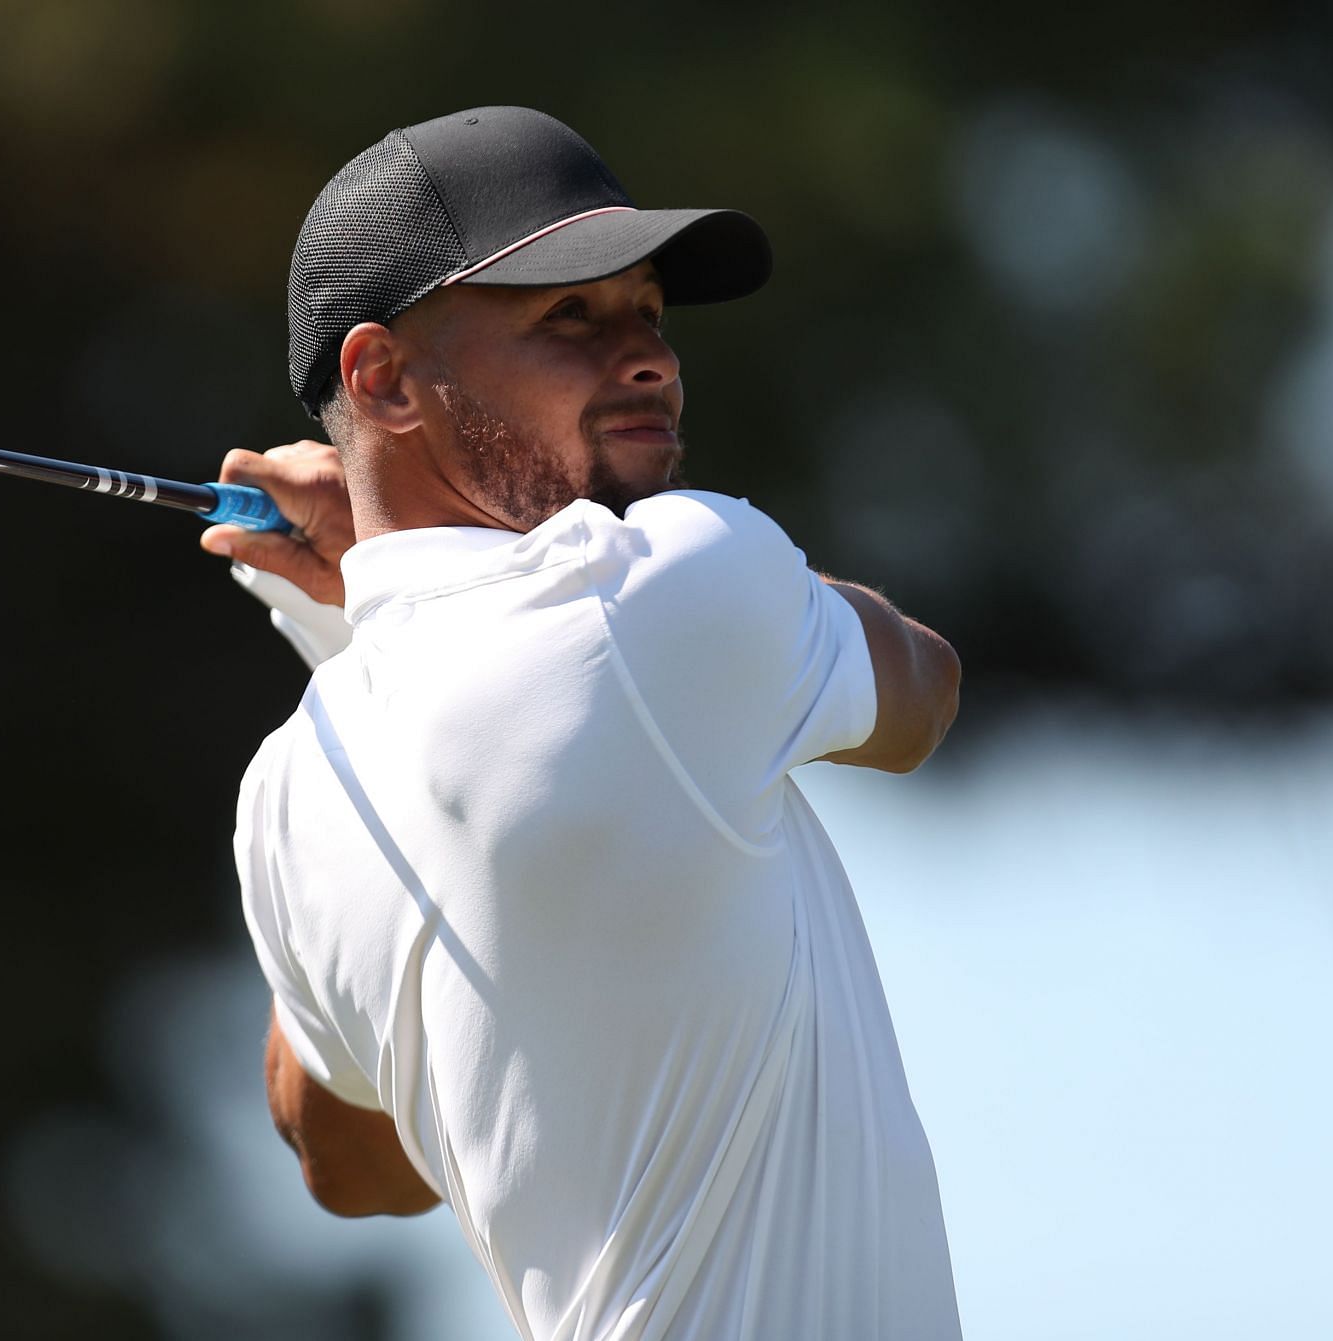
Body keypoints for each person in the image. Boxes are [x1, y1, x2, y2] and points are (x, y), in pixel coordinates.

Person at [199, 106, 964, 1341]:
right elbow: (921, 692)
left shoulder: (293, 792)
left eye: (649, 315)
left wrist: (357, 628)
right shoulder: (670, 582)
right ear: (382, 378)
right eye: (571, 317)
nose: (649, 357)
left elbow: (358, 1169)